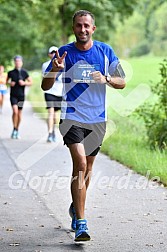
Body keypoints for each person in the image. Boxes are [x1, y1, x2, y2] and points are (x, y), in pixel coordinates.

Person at [41, 10, 126, 242]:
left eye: (86, 26)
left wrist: (107, 79)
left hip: (97, 119)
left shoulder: (105, 52)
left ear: (93, 28)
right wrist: (55, 69)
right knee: (79, 162)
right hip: (71, 117)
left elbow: (122, 81)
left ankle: (75, 207)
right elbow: (45, 86)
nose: (83, 29)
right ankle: (81, 222)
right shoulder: (64, 53)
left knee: (87, 169)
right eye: (78, 26)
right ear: (74, 28)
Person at [7, 55, 32, 139]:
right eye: (16, 61)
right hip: (13, 95)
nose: (18, 63)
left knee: (19, 113)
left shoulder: (24, 72)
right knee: (15, 111)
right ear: (14, 62)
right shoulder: (10, 72)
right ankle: (14, 128)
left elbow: (30, 82)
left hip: (21, 96)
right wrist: (10, 83)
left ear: (22, 62)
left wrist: (24, 83)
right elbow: (6, 81)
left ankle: (16, 130)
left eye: (19, 61)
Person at [42, 46, 63, 142]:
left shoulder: (64, 64)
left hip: (60, 93)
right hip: (49, 92)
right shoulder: (45, 65)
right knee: (51, 112)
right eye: (52, 53)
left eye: (56, 52)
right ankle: (50, 133)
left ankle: (53, 131)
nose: (54, 54)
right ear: (49, 54)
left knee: (55, 115)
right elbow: (45, 78)